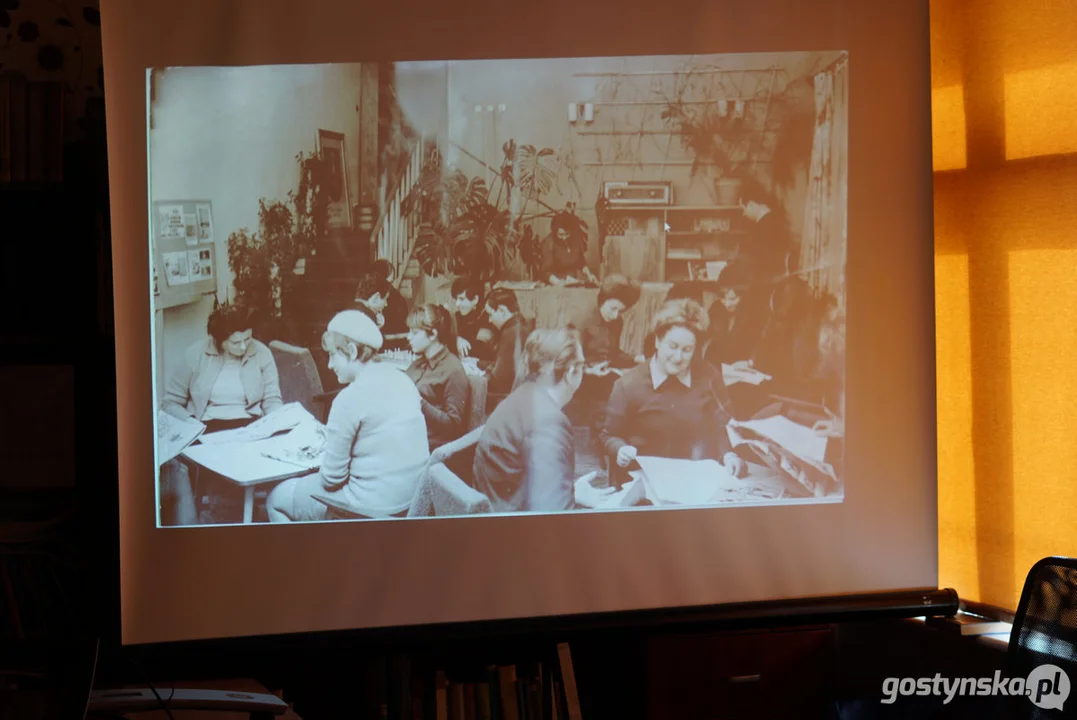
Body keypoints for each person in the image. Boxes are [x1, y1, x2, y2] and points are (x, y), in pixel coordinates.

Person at [266, 310, 430, 522]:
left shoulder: (348, 399)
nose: (329, 364)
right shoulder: (403, 379)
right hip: (409, 502)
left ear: (352, 351)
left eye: (333, 355)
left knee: (275, 499)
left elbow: (330, 480)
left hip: (365, 509)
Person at [600, 299, 745, 489]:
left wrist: (729, 454)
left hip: (698, 482)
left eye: (687, 350)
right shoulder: (628, 385)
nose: (678, 358)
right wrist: (621, 450)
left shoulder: (709, 377)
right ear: (657, 341)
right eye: (672, 346)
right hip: (644, 485)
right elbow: (609, 436)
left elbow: (723, 427)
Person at [159, 302, 282, 526]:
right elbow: (170, 403)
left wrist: (273, 424)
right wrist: (192, 424)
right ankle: (231, 518)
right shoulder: (195, 355)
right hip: (207, 426)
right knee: (222, 468)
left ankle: (233, 518)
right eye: (235, 342)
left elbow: (273, 399)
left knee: (246, 462)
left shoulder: (262, 353)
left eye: (248, 338)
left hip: (250, 426)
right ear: (219, 340)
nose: (244, 346)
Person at [472, 328, 587, 513]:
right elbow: (557, 518)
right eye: (583, 367)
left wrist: (570, 491)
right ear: (571, 371)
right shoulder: (551, 422)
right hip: (514, 528)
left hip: (499, 507)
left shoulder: (523, 393)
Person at [568, 274, 642, 429]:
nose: (615, 315)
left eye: (620, 311)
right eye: (612, 308)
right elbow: (568, 363)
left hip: (604, 380)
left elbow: (613, 354)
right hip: (580, 389)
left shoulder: (616, 322)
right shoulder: (581, 322)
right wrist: (589, 370)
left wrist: (636, 358)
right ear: (602, 300)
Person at [404, 304, 470, 450]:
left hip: (426, 446)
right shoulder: (419, 363)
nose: (409, 337)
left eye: (414, 333)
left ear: (433, 334)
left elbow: (453, 426)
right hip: (408, 436)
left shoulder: (453, 370)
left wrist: (419, 402)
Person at [482, 287, 535, 409]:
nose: (489, 320)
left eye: (490, 314)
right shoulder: (521, 325)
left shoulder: (511, 333)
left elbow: (497, 380)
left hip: (506, 399)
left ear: (502, 310)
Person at [354, 271, 409, 351]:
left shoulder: (352, 307)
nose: (386, 304)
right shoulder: (368, 315)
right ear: (376, 297)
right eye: (385, 299)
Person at [539, 213, 598, 286]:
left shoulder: (575, 240)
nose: (564, 238)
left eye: (567, 234)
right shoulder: (548, 243)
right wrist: (557, 282)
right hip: (554, 284)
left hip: (571, 283)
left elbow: (581, 262)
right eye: (560, 234)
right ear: (555, 232)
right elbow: (545, 271)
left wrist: (589, 275)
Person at [451, 276, 495, 362]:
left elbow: (478, 349)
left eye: (461, 299)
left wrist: (453, 340)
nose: (457, 304)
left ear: (475, 299)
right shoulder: (458, 316)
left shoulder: (489, 318)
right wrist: (456, 339)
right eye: (456, 299)